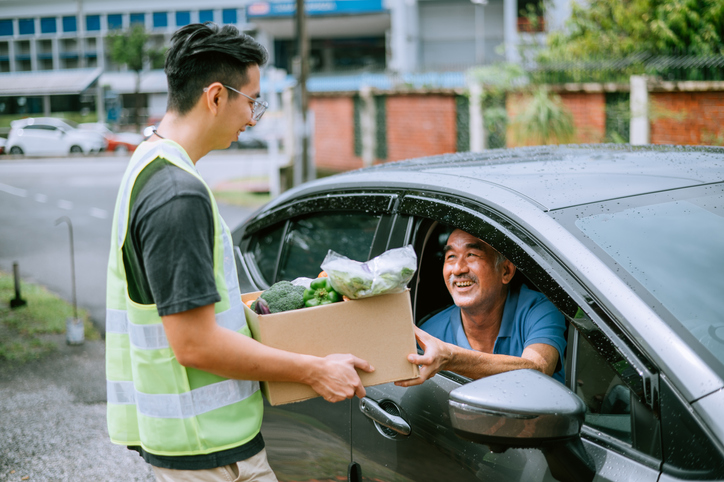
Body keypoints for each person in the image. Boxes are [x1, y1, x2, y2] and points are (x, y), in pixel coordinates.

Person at [105, 23, 373, 482]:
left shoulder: (148, 162)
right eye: (252, 101)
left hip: (195, 440)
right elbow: (194, 343)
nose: (253, 118)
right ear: (215, 96)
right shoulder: (177, 193)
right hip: (209, 450)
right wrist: (315, 370)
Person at [395, 228, 566, 388]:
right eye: (451, 256)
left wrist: (451, 358)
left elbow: (538, 370)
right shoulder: (430, 335)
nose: (458, 269)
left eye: (472, 255)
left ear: (506, 271)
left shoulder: (538, 309)